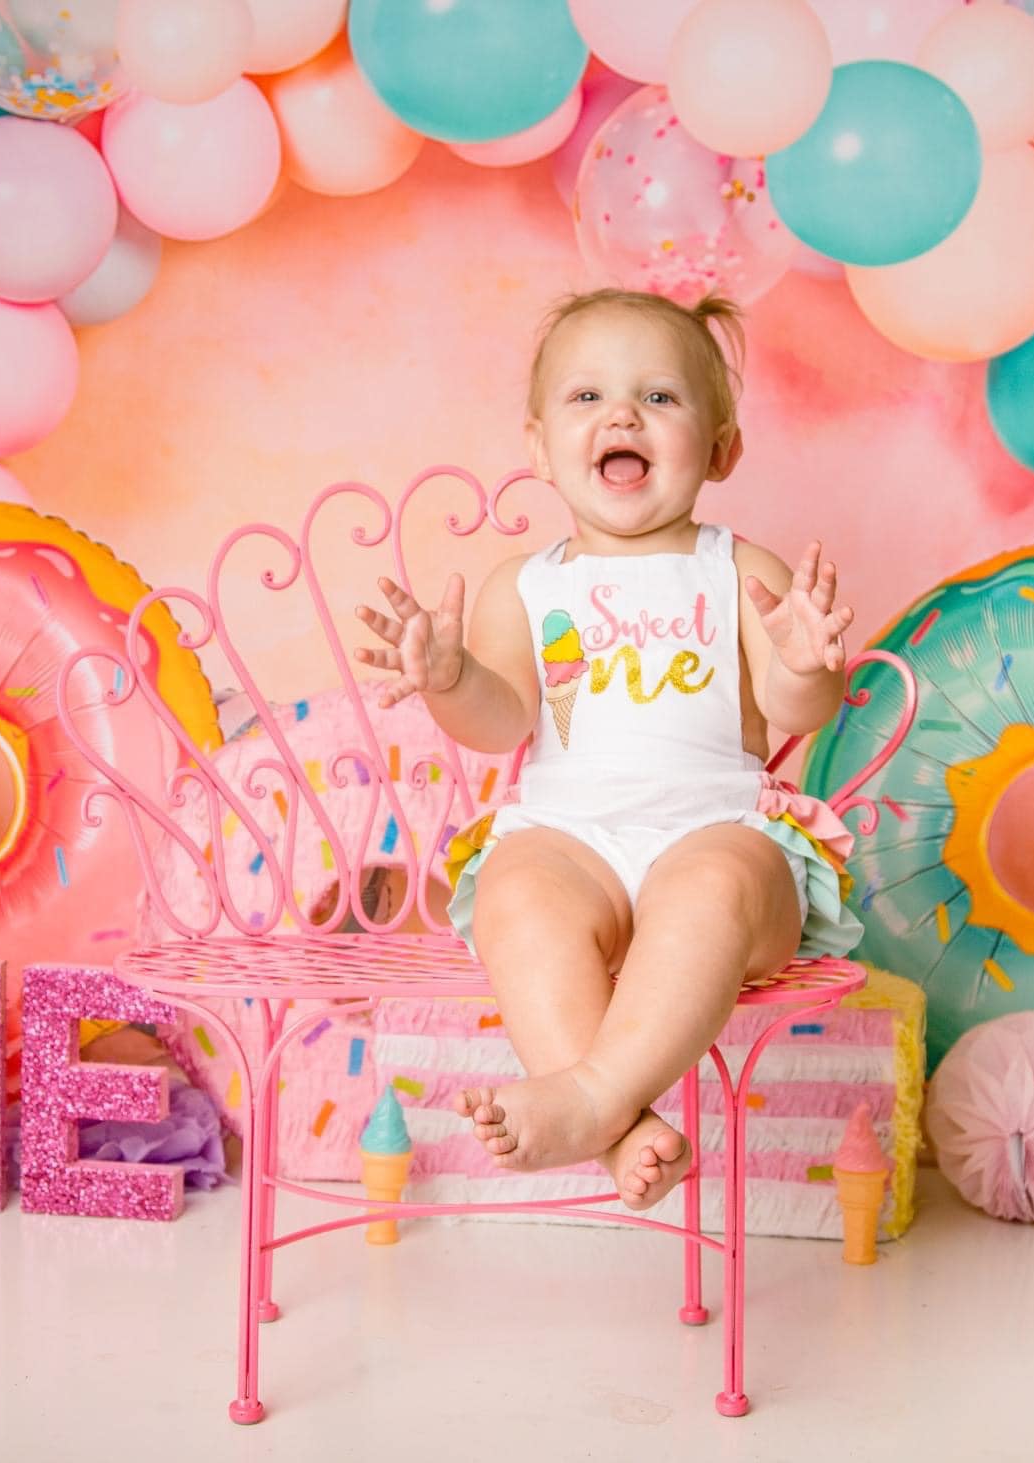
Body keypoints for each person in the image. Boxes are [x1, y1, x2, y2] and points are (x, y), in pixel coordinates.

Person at [354, 289, 863, 1211]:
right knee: (513, 889)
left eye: (661, 398)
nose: (623, 414)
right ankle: (630, 1132)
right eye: (586, 397)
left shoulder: (738, 570)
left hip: (716, 826)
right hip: (571, 831)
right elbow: (506, 719)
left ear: (722, 448)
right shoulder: (533, 585)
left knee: (709, 888)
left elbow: (802, 707)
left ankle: (591, 1097)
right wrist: (448, 678)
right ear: (540, 446)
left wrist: (800, 661)